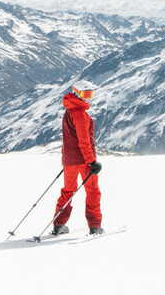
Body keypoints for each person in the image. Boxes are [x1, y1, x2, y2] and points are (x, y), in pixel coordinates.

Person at [53, 80, 104, 236]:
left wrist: (66, 157)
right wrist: (92, 162)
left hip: (69, 160)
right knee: (93, 191)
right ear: (76, 93)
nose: (88, 98)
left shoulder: (69, 110)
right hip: (83, 160)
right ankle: (95, 226)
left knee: (67, 191)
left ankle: (59, 224)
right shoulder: (80, 113)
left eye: (90, 94)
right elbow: (84, 141)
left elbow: (68, 138)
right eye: (85, 94)